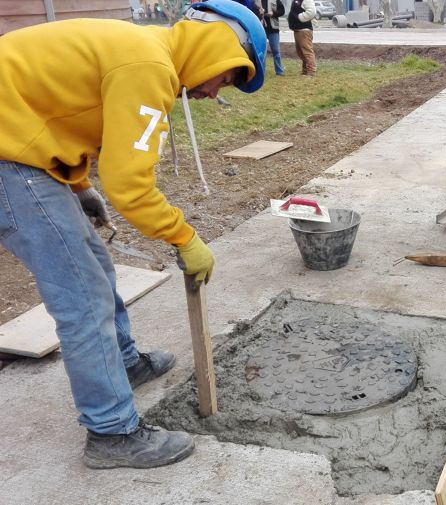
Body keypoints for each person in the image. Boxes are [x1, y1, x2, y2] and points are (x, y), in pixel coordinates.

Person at [0, 0, 266, 468]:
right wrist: (183, 237)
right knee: (82, 298)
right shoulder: (148, 64)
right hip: (9, 163)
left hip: (20, 149)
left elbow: (55, 108)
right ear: (220, 50)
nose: (212, 93)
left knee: (96, 268)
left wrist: (79, 186)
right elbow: (129, 185)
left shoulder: (142, 46)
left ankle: (121, 362)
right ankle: (112, 433)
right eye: (226, 78)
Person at [288, 0, 317, 76]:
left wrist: (299, 17)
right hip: (297, 29)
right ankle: (305, 70)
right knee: (301, 52)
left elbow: (312, 12)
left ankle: (311, 71)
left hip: (304, 30)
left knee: (307, 51)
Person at [262, 0, 286, 76]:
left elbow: (282, 11)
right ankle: (262, 72)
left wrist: (273, 13)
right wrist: (259, 12)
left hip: (273, 29)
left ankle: (279, 71)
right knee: (262, 52)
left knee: (276, 51)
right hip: (260, 29)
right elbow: (252, 11)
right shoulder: (256, 1)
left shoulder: (275, 0)